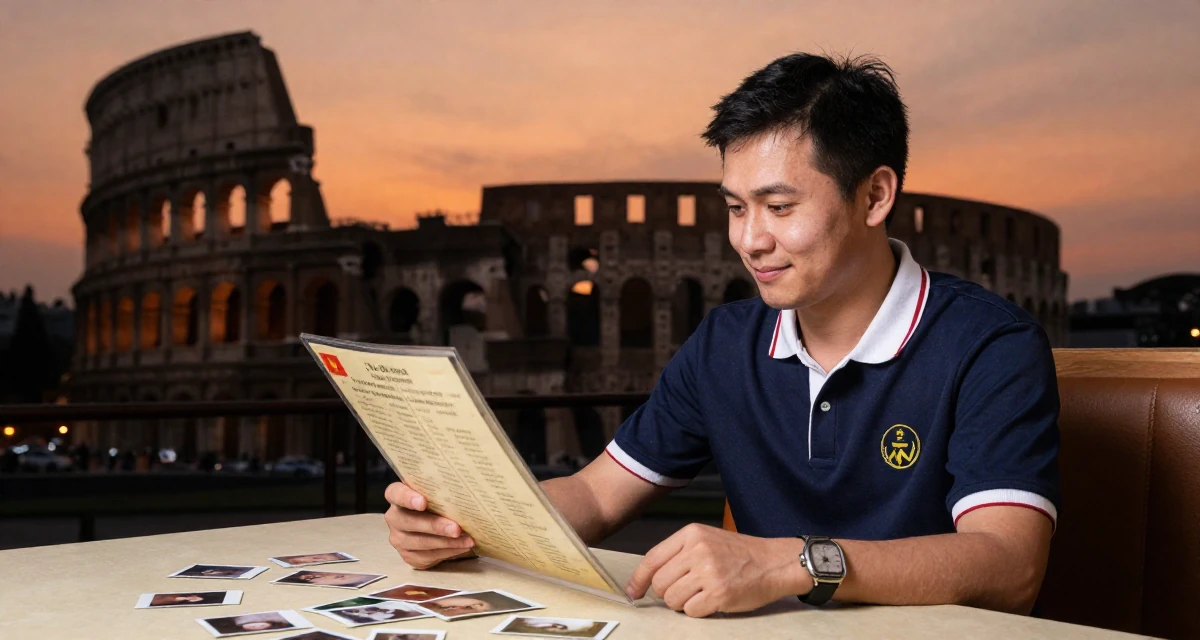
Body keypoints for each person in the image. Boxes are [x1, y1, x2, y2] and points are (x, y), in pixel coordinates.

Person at [384, 52, 1060, 619]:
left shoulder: (989, 344)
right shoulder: (725, 344)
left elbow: (1009, 565)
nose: (750, 240)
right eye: (736, 207)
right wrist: (463, 521)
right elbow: (593, 495)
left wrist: (792, 563)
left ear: (875, 197)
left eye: (779, 206)